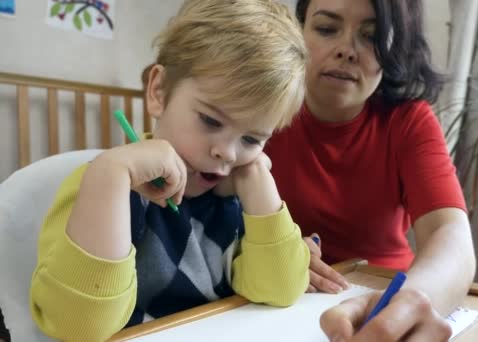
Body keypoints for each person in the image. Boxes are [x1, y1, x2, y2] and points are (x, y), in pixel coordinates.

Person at [30, 0, 310, 340]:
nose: (227, 151)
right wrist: (109, 176)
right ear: (158, 91)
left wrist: (256, 178)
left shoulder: (235, 197)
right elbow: (78, 326)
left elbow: (280, 291)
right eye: (210, 120)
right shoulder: (103, 187)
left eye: (251, 138)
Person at [264, 0, 476, 340]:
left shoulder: (409, 121)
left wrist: (407, 305)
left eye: (372, 36)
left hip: (381, 297)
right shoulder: (262, 109)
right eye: (326, 29)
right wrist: (271, 253)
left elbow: (450, 236)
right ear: (297, 32)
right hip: (273, 302)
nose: (347, 50)